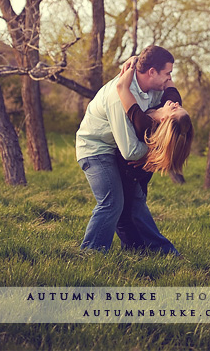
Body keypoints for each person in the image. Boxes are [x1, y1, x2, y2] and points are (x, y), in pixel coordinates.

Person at [76, 45, 181, 254]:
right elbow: (131, 152)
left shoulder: (151, 89)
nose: (169, 79)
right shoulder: (119, 96)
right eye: (167, 73)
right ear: (152, 72)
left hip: (116, 149)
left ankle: (151, 250)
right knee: (112, 202)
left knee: (135, 202)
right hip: (95, 149)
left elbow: (170, 107)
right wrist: (155, 152)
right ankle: (91, 253)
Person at [114, 59, 193, 249]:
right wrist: (139, 58)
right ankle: (138, 249)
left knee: (127, 213)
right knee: (134, 210)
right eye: (179, 105)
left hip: (130, 170)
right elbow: (169, 82)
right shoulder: (170, 110)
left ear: (166, 120)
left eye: (176, 108)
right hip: (143, 170)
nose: (174, 103)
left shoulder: (144, 125)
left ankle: (156, 250)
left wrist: (131, 67)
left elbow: (121, 88)